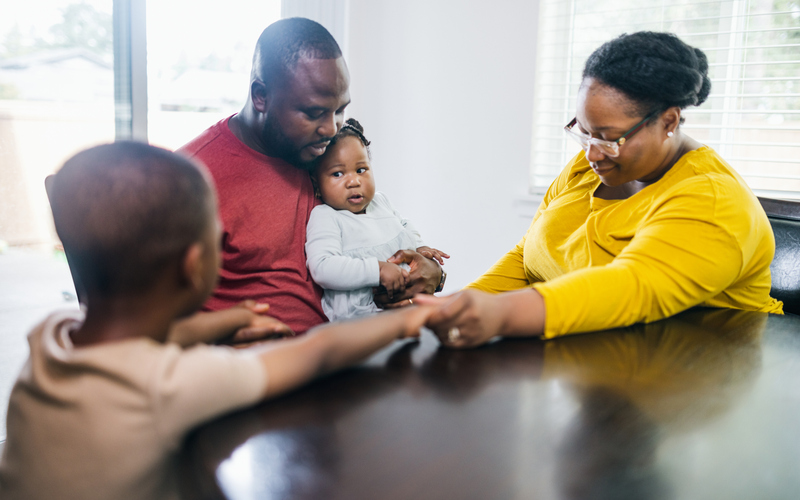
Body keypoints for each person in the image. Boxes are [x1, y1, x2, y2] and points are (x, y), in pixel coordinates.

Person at [0, 142, 432, 500]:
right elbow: (316, 353)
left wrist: (226, 322)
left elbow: (157, 336)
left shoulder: (51, 335)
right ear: (194, 266)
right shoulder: (168, 384)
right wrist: (404, 322)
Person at [416, 31, 783, 347]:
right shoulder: (591, 166)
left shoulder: (712, 200)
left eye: (608, 138)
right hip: (591, 355)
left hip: (694, 375)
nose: (591, 152)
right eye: (584, 131)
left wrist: (501, 313)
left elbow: (631, 286)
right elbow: (529, 256)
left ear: (669, 121)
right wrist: (458, 304)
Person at [178, 17, 443, 333]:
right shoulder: (186, 181)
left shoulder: (327, 155)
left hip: (354, 348)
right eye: (314, 113)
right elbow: (142, 320)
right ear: (261, 95)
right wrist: (220, 336)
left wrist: (431, 273)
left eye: (340, 110)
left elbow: (384, 234)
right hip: (264, 367)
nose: (331, 128)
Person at [306, 118, 449, 321]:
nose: (354, 181)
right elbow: (322, 267)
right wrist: (378, 270)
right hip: (360, 323)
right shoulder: (326, 216)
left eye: (361, 169)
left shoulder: (380, 201)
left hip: (409, 314)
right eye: (337, 173)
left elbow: (404, 225)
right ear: (317, 184)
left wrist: (420, 246)